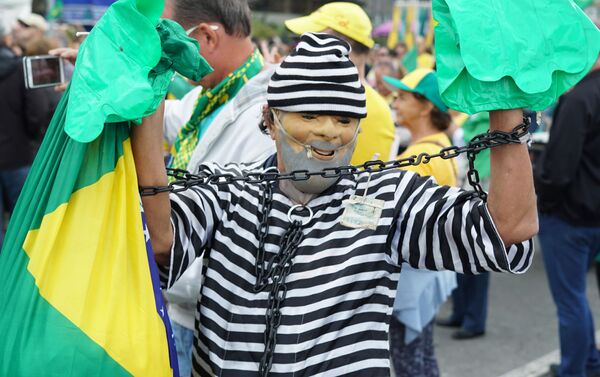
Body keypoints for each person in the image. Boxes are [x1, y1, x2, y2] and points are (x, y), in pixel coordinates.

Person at [132, 32, 537, 377]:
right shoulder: (227, 191)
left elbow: (507, 229)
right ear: (270, 120)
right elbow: (161, 242)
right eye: (309, 114)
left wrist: (503, 101)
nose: (328, 132)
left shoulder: (387, 198)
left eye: (344, 120)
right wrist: (147, 106)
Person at [160, 1, 276, 375]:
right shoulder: (209, 95)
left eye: (166, 43)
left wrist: (173, 279)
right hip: (178, 300)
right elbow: (163, 120)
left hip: (207, 318)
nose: (164, 57)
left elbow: (248, 241)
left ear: (207, 37)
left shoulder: (269, 118)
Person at [384, 68, 457, 376]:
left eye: (402, 97)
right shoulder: (440, 144)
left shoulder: (419, 158)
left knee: (408, 361)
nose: (395, 102)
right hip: (430, 271)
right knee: (422, 357)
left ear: (426, 106)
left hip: (411, 277)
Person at [534, 55, 600, 377]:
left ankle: (574, 369)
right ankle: (588, 362)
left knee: (571, 301)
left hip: (570, 217)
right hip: (590, 215)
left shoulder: (579, 98)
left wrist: (544, 201)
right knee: (577, 300)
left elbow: (558, 170)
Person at [284, 2, 396, 162]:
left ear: (338, 45)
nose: (299, 48)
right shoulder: (374, 102)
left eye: (309, 41)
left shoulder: (341, 101)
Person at [436, 112, 493, 340]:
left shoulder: (492, 114)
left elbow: (475, 147)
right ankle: (460, 312)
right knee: (458, 255)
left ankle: (474, 320)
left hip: (482, 191)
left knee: (478, 259)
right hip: (463, 190)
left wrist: (453, 129)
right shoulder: (468, 115)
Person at [0, 25, 52, 249]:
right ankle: (21, 277)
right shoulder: (21, 68)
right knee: (26, 223)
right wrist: (33, 138)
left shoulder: (20, 67)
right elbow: (37, 110)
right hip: (19, 155)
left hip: (17, 154)